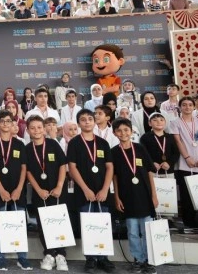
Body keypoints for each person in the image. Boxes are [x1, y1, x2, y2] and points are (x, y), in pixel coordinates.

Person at [67, 109, 115, 274]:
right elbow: (72, 168)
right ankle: (91, 259)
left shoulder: (102, 143)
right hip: (83, 192)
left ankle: (103, 257)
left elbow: (109, 167)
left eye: (90, 119)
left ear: (94, 122)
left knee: (103, 224)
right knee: (88, 225)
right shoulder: (74, 143)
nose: (87, 122)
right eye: (83, 119)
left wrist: (105, 189)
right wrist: (86, 189)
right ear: (79, 123)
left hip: (102, 192)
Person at [111, 118, 158, 274]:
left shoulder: (140, 148)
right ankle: (138, 259)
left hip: (144, 195)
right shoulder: (114, 152)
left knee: (146, 230)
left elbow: (149, 172)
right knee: (132, 231)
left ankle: (149, 259)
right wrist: (116, 197)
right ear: (114, 133)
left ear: (131, 131)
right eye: (119, 130)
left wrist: (154, 195)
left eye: (126, 130)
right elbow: (114, 176)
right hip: (127, 197)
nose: (123, 133)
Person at [25, 116, 69, 272]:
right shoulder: (27, 149)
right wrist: (38, 190)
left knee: (59, 223)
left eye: (39, 127)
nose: (36, 130)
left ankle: (61, 255)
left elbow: (63, 165)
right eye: (32, 128)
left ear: (44, 129)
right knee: (43, 223)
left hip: (57, 191)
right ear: (27, 130)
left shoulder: (53, 144)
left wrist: (59, 186)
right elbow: (28, 172)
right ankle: (49, 254)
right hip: (40, 193)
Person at [0, 111, 31, 271]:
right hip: (0, 190)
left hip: (18, 190)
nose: (5, 124)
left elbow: (24, 168)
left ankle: (22, 257)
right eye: (2, 121)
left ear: (13, 123)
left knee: (19, 223)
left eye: (8, 121)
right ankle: (0, 257)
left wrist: (19, 189)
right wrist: (1, 190)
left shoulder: (19, 144)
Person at [168, 96, 198, 229]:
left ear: (194, 107)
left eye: (190, 105)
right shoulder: (175, 123)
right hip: (184, 163)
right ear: (180, 107)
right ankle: (189, 223)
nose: (187, 107)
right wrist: (187, 157)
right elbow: (178, 141)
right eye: (184, 105)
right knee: (186, 194)